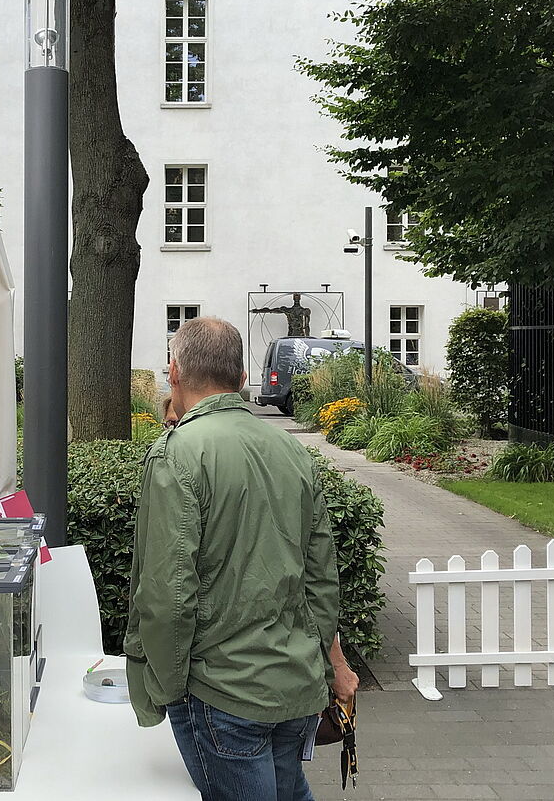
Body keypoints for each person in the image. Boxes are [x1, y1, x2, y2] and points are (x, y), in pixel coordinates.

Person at [125, 316, 354, 801]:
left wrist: (166, 687)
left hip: (221, 689)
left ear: (175, 372)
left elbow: (168, 591)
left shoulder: (178, 453)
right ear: (242, 376)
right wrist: (319, 662)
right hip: (292, 682)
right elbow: (322, 580)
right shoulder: (292, 450)